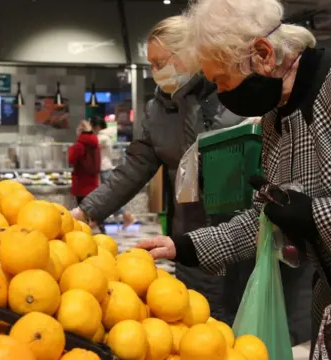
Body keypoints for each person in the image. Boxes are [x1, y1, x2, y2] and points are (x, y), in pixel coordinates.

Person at [138, 0, 331, 356]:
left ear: (262, 53)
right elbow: (268, 217)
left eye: (223, 81)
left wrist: (316, 216)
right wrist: (186, 246)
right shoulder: (276, 118)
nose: (224, 97)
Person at [71, 15, 244, 322]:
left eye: (160, 62)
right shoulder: (158, 109)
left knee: (241, 326)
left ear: (192, 53)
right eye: (151, 65)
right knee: (194, 320)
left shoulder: (232, 93)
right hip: (188, 235)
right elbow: (134, 167)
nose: (155, 73)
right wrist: (86, 212)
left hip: (241, 235)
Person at [90, 117, 136, 229]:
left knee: (109, 197)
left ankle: (127, 216)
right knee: (108, 197)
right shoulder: (105, 137)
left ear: (96, 127)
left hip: (104, 169)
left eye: (91, 126)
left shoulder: (102, 138)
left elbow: (91, 146)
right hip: (104, 169)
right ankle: (125, 216)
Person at [68, 120, 100, 207]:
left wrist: (71, 148)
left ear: (80, 131)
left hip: (81, 185)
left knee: (82, 213)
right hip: (93, 183)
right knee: (91, 212)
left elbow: (70, 159)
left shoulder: (79, 145)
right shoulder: (95, 143)